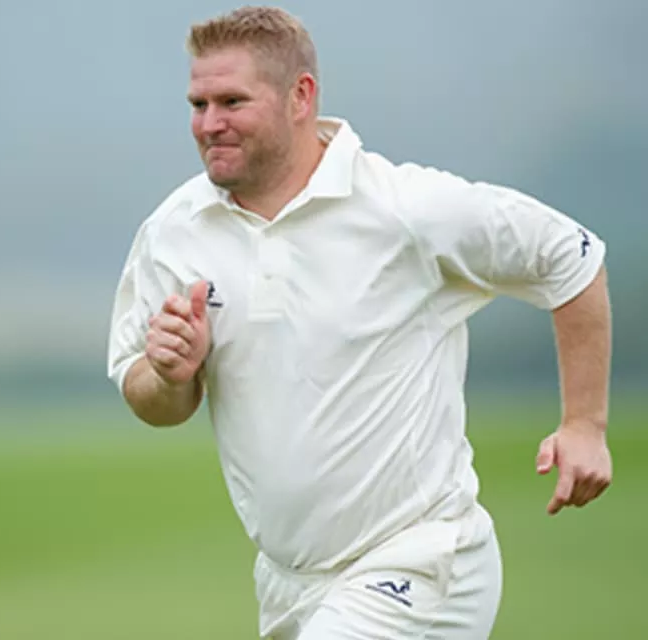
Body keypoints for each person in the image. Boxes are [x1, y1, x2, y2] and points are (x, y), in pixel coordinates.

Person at [106, 5, 613, 639]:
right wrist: (168, 374)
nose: (210, 124)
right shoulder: (174, 232)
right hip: (288, 582)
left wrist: (584, 424)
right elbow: (151, 399)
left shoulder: (404, 208)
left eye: (232, 101)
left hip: (419, 562)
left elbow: (569, 255)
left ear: (301, 96)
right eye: (198, 104)